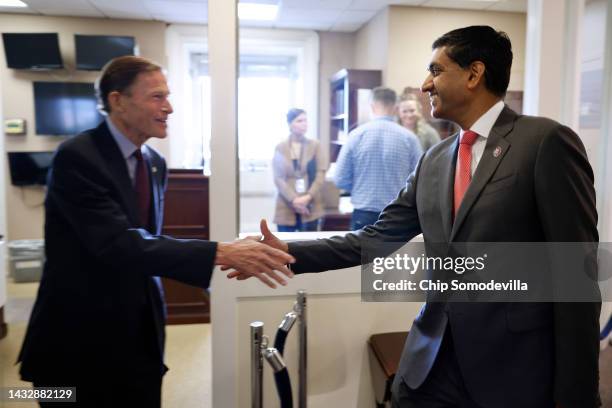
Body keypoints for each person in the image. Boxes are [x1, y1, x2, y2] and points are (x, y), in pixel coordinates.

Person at [230, 26, 601, 408]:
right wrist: (287, 251)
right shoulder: (434, 159)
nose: (425, 84)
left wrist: (577, 394)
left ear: (474, 74)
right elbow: (375, 237)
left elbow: (576, 276)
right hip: (430, 365)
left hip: (511, 370)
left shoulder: (544, 143)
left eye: (436, 71)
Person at [17, 56, 294, 408]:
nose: (170, 107)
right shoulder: (78, 156)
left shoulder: (154, 162)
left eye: (169, 96)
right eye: (157, 97)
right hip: (79, 336)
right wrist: (219, 252)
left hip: (139, 336)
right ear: (118, 101)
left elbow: (147, 244)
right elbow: (117, 244)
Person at [334, 87, 422, 230]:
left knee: (360, 253)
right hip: (398, 214)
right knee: (396, 253)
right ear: (396, 108)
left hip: (363, 214)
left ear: (372, 106)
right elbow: (420, 180)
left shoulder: (356, 135)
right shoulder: (410, 139)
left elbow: (340, 178)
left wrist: (361, 188)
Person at [272, 108, 326, 232]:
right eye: (299, 121)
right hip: (286, 206)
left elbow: (320, 173)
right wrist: (294, 200)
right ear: (290, 124)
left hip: (311, 205)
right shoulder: (280, 147)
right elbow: (278, 178)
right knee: (285, 247)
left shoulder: (315, 146)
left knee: (309, 248)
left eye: (306, 120)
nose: (304, 124)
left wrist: (307, 197)